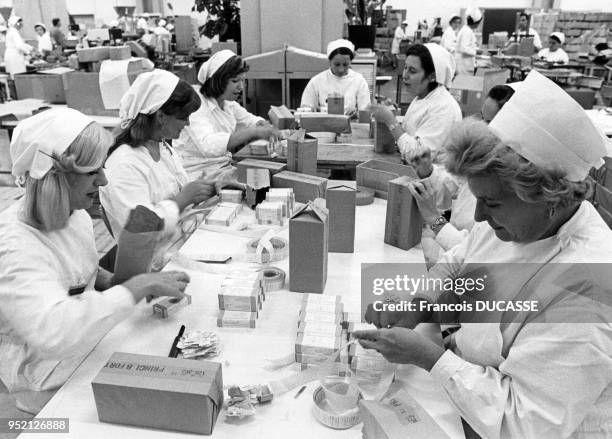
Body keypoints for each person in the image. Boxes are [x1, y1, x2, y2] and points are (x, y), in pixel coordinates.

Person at [355, 70, 612, 438]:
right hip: (470, 393)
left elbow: (523, 423)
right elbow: (458, 261)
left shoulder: (588, 287)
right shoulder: (515, 224)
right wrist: (420, 304)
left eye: (491, 203)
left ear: (550, 199)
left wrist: (429, 358)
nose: (479, 216)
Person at [0, 108, 191, 409]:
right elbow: (54, 330)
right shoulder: (13, 245)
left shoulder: (75, 217)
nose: (103, 181)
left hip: (84, 349)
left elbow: (79, 275)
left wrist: (122, 280)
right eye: (91, 172)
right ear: (54, 178)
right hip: (44, 382)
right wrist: (133, 288)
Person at [99, 70, 216, 241]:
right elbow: (140, 229)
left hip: (179, 238)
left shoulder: (162, 147)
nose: (188, 123)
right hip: (156, 258)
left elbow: (176, 189)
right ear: (161, 116)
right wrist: (182, 199)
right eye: (184, 117)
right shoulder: (125, 164)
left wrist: (207, 187)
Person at [173, 50, 279, 181]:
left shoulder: (227, 103)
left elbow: (249, 120)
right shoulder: (196, 103)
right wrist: (253, 132)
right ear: (218, 80)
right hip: (196, 174)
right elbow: (208, 145)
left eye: (243, 80)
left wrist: (262, 125)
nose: (241, 87)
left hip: (223, 168)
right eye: (235, 81)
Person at [370, 43, 461, 163]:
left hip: (431, 179)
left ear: (432, 76)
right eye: (405, 68)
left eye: (412, 71)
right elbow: (413, 133)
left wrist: (390, 121)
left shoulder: (444, 108)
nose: (404, 75)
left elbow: (419, 158)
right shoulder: (423, 96)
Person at [300, 39, 371, 118]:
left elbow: (365, 111)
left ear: (350, 62)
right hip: (323, 127)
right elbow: (305, 111)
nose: (341, 69)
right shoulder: (317, 81)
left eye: (345, 64)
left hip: (351, 126)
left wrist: (357, 116)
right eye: (337, 64)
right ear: (329, 61)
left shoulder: (359, 81)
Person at [455, 6, 482, 75]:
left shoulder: (466, 29)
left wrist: (474, 49)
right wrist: (476, 52)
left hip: (463, 64)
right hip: (464, 65)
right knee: (464, 84)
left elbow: (466, 46)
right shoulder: (467, 31)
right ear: (476, 22)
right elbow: (464, 48)